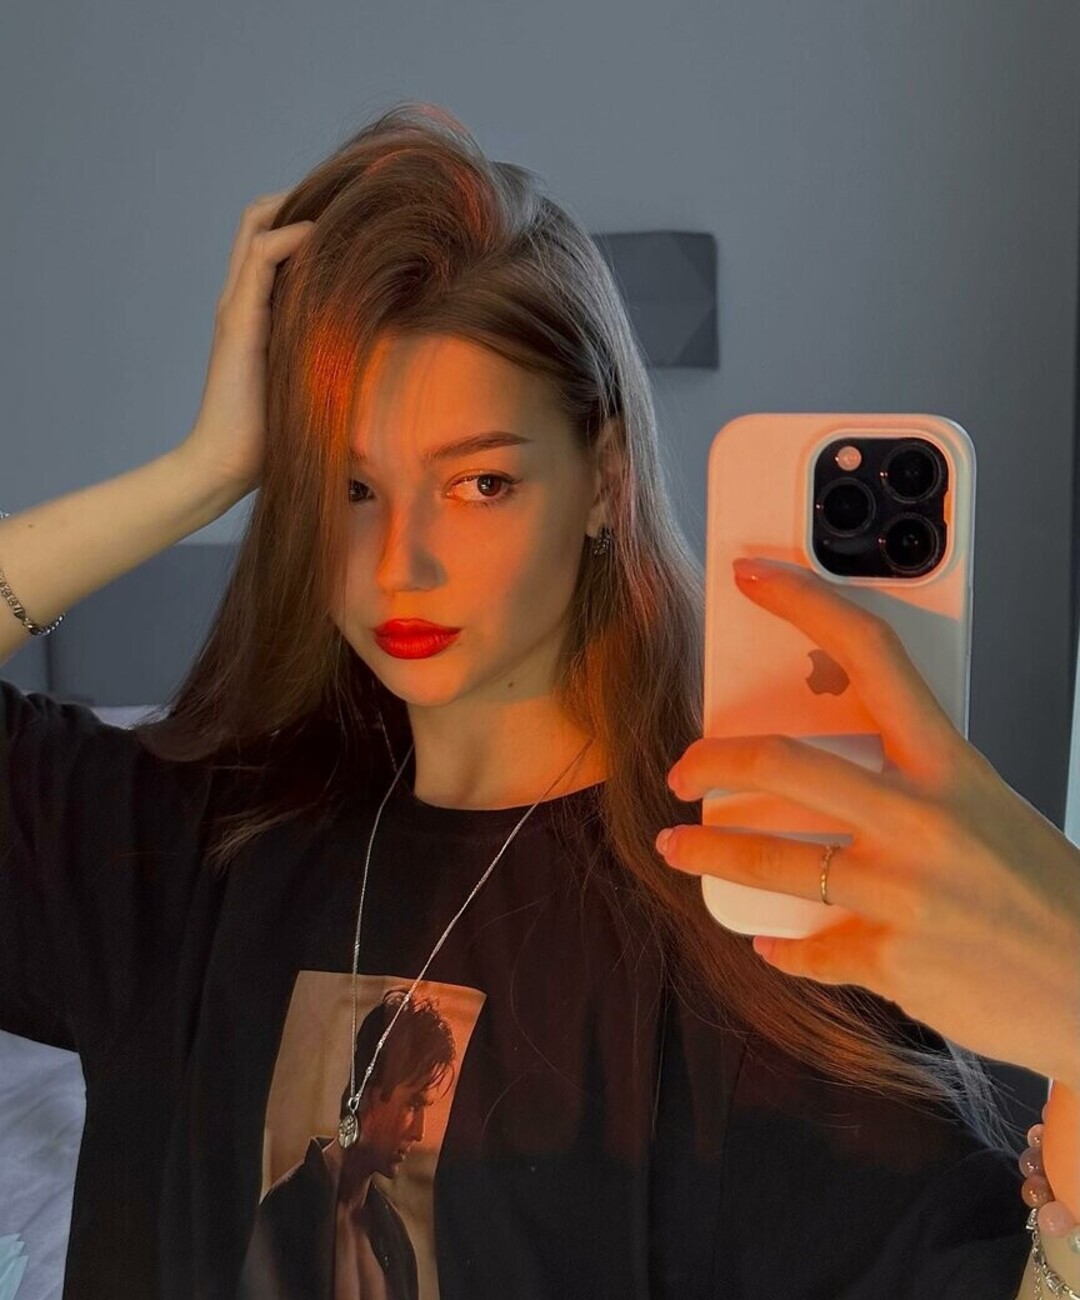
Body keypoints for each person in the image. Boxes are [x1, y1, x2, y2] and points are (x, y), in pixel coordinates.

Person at [0, 100, 1077, 1299]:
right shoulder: (187, 846)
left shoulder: (741, 918)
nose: (400, 562)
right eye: (351, 488)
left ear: (604, 479)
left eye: (480, 483)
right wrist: (196, 475)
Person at [237, 989, 454, 1300]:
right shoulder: (285, 1211)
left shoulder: (394, 1234)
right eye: (413, 1104)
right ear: (367, 1089)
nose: (418, 1132)